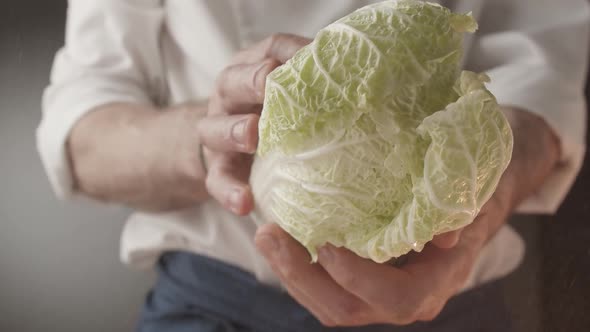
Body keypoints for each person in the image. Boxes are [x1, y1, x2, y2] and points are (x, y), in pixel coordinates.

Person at [37, 0, 589, 331]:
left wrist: (472, 222)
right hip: (213, 306)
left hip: (453, 297)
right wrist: (211, 140)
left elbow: (541, 83)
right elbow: (83, 132)